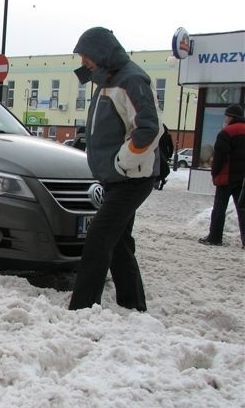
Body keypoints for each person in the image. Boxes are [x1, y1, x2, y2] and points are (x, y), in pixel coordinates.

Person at [68, 27, 163, 312]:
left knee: (98, 237)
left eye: (87, 57)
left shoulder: (131, 80)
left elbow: (148, 129)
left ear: (101, 53)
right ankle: (133, 304)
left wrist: (122, 162)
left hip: (132, 178)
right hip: (117, 178)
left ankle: (82, 308)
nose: (84, 63)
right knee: (119, 241)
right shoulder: (107, 80)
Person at [198, 103, 245, 249]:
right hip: (242, 179)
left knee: (219, 208)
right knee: (242, 209)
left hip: (226, 178)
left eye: (226, 116)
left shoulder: (226, 132)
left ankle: (215, 237)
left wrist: (215, 173)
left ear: (231, 117)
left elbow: (219, 156)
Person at [155, 124, 174, 190]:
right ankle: (162, 182)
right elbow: (171, 146)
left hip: (157, 153)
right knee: (163, 168)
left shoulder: (157, 134)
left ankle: (157, 183)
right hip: (165, 154)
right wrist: (170, 155)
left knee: (157, 167)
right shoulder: (168, 136)